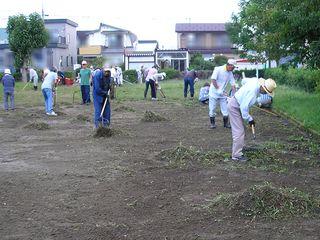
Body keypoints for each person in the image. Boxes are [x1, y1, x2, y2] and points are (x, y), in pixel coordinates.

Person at [227, 78, 277, 161]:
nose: (264, 93)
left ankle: (239, 148)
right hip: (234, 107)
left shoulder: (254, 81)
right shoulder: (253, 93)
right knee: (239, 131)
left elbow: (243, 81)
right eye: (265, 91)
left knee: (242, 129)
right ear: (262, 87)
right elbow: (243, 108)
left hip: (237, 103)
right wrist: (250, 119)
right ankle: (236, 155)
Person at [208, 59, 237, 129]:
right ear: (229, 65)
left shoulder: (230, 73)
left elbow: (233, 84)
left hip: (222, 93)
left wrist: (235, 95)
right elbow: (213, 80)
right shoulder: (218, 69)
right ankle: (212, 124)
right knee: (212, 108)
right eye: (233, 67)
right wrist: (218, 89)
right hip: (213, 92)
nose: (233, 69)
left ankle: (226, 124)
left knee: (225, 109)